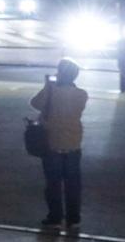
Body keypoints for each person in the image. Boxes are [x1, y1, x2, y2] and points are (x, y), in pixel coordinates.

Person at [31, 59, 88, 228]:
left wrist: (48, 87)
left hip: (52, 142)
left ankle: (55, 217)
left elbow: (35, 103)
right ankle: (73, 217)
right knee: (73, 183)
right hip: (73, 143)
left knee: (53, 183)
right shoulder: (82, 94)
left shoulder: (52, 92)